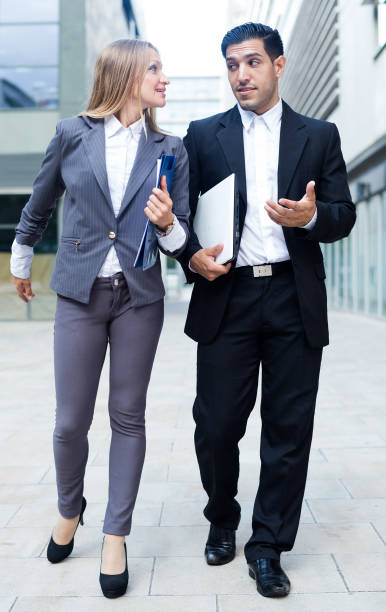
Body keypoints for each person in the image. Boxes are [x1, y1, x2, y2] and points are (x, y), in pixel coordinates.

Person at [179, 22, 355, 598]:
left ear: (278, 66)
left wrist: (312, 219)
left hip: (291, 296)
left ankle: (267, 546)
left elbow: (343, 213)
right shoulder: (203, 135)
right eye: (231, 65)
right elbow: (183, 220)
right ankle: (222, 514)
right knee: (216, 424)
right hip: (226, 294)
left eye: (252, 63)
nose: (240, 75)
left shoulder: (319, 135)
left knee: (288, 430)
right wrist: (191, 260)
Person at [10, 39, 189, 599]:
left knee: (127, 416)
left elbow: (181, 237)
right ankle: (70, 509)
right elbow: (39, 203)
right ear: (126, 73)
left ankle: (116, 533)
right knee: (69, 422)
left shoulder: (171, 148)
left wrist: (166, 226)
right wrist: (21, 259)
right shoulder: (71, 134)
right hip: (78, 295)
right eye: (155, 69)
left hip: (139, 297)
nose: (164, 78)